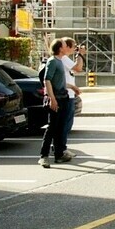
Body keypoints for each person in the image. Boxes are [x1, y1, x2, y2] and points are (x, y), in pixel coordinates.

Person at [39, 39, 75, 168]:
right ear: (60, 48)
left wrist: (72, 87)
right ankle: (43, 156)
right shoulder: (53, 61)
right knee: (52, 128)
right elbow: (47, 80)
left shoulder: (60, 61)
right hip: (56, 99)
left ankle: (59, 155)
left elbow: (59, 82)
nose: (67, 47)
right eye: (65, 45)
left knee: (60, 128)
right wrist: (52, 99)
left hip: (63, 97)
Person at [60, 37, 82, 153]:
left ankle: (61, 147)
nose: (75, 48)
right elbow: (78, 68)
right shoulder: (63, 58)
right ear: (67, 47)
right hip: (66, 94)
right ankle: (60, 148)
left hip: (70, 94)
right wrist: (80, 55)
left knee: (67, 123)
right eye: (74, 46)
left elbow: (76, 69)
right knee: (65, 124)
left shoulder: (65, 59)